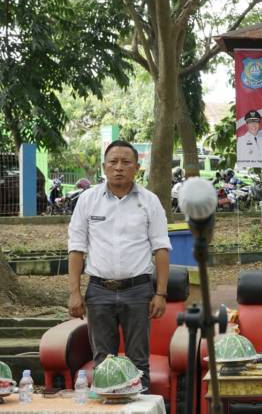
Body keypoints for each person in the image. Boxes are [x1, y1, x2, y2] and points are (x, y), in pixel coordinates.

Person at [67, 140, 171, 390]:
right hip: (99, 291)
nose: (119, 167)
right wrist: (74, 292)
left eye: (126, 162)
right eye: (113, 162)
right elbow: (76, 248)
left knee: (138, 362)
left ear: (137, 167)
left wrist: (161, 293)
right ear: (104, 167)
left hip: (138, 290)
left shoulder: (149, 201)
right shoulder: (88, 200)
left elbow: (161, 248)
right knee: (103, 362)